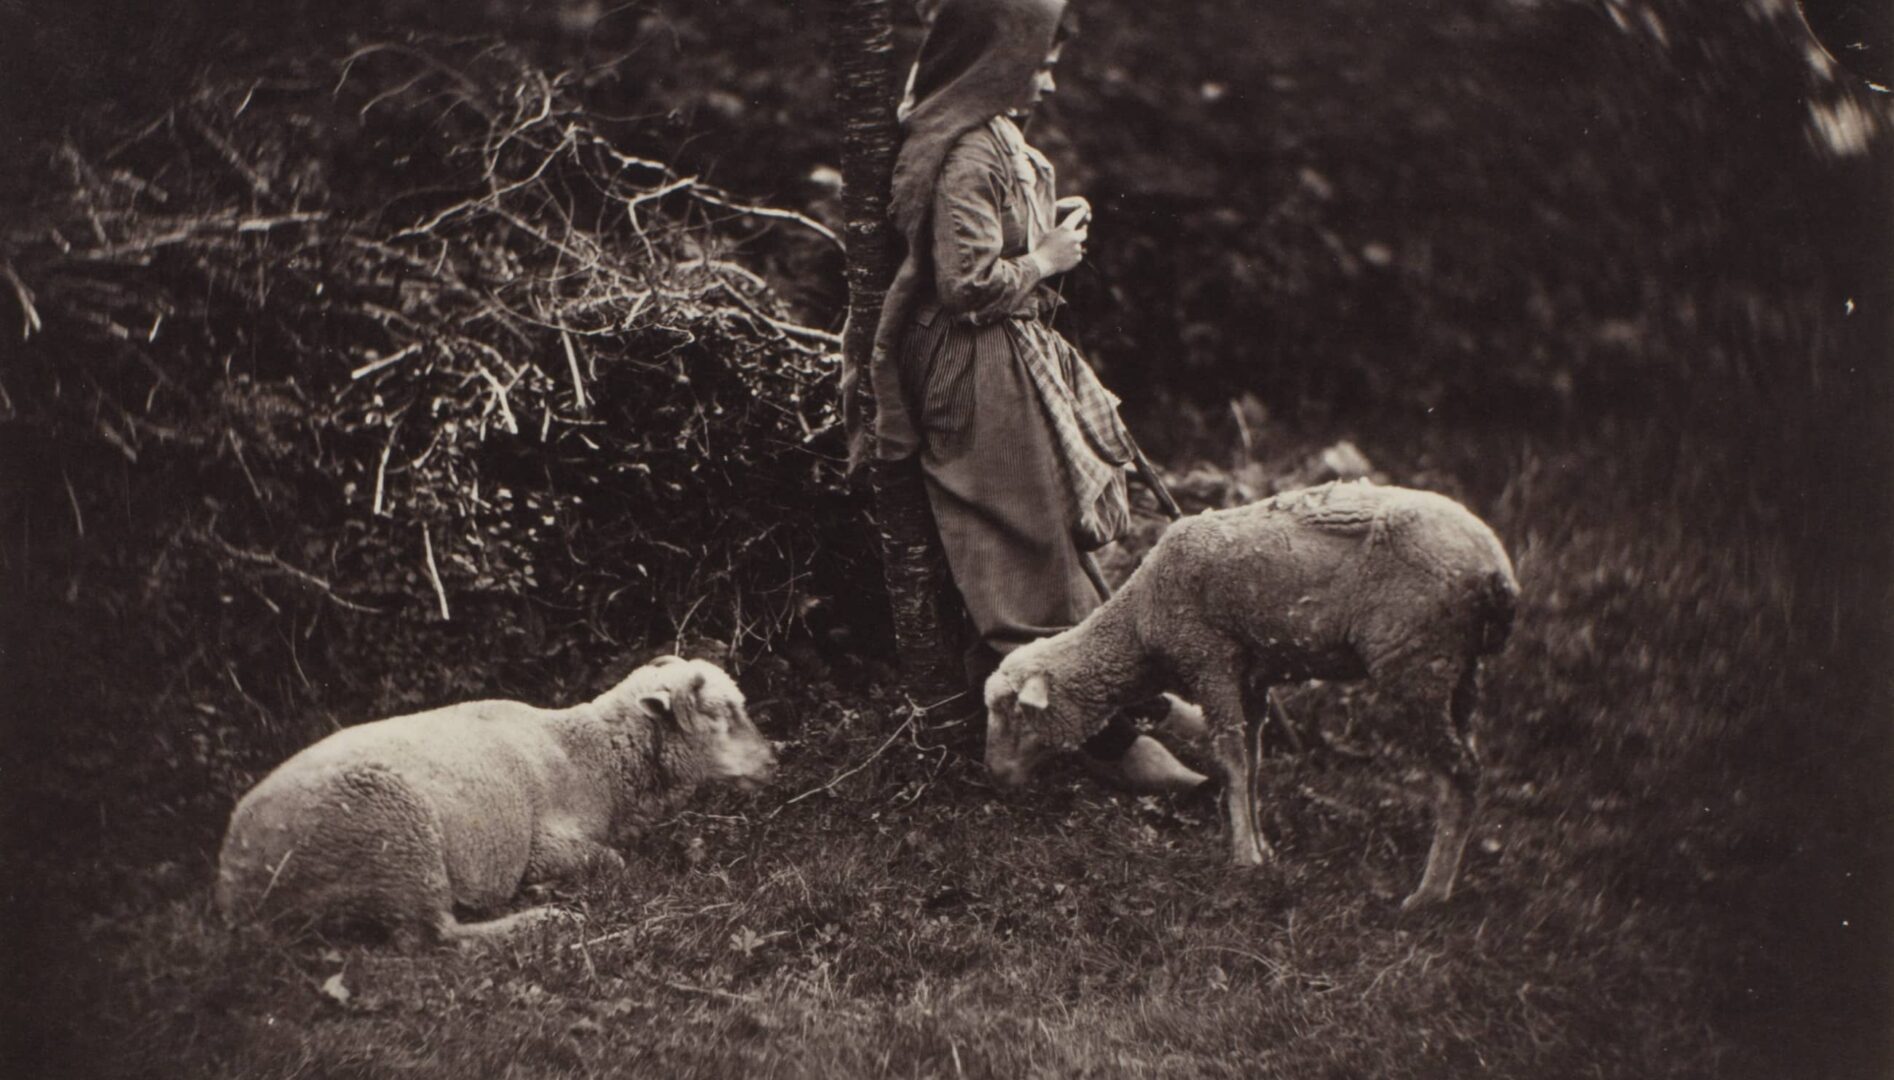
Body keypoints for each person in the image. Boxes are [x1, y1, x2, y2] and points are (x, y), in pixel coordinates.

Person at [843, 0, 1208, 794]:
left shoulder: (996, 134)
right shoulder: (966, 148)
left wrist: (1049, 230)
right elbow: (968, 285)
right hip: (971, 365)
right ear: (992, 59)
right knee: (1020, 552)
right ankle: (1098, 742)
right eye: (1036, 60)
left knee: (1055, 538)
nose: (1046, 77)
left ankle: (1121, 709)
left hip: (1003, 355)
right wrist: (1043, 259)